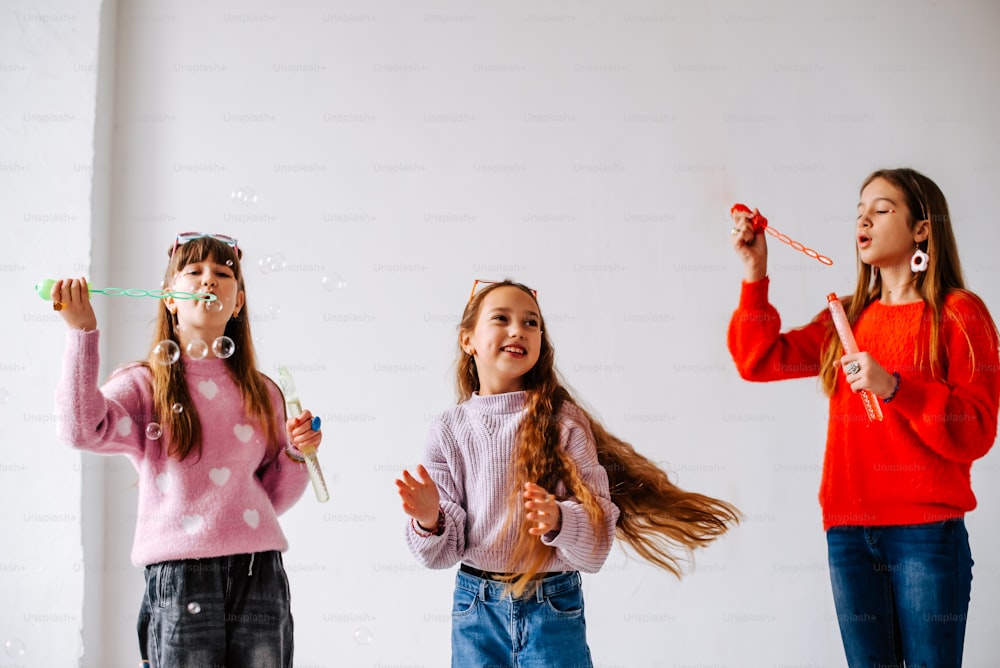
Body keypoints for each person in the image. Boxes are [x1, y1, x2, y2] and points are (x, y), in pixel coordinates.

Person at [728, 168, 1000, 667]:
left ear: (922, 228)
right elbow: (759, 360)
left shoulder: (959, 313)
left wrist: (897, 388)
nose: (864, 221)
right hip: (849, 532)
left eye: (881, 209)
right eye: (859, 212)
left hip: (925, 532)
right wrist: (754, 273)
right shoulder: (847, 317)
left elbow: (977, 430)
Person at [396, 279, 739, 667]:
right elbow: (441, 554)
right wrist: (430, 519)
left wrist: (560, 519)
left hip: (552, 606)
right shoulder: (448, 430)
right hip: (476, 609)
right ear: (468, 340)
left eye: (531, 323)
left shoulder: (564, 423)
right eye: (501, 318)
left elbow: (596, 547)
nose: (518, 330)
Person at [51, 233, 321, 667]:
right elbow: (81, 429)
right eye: (193, 272)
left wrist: (297, 453)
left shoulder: (263, 392)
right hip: (180, 573)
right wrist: (82, 332)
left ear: (238, 303)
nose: (208, 281)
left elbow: (273, 498)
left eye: (222, 273)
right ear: (169, 299)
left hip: (259, 571)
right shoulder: (145, 383)